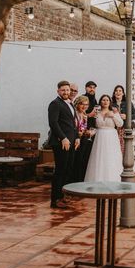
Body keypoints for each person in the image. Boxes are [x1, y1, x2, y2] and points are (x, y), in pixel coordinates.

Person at [48, 80, 80, 209]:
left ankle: (62, 196)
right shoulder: (55, 104)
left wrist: (77, 137)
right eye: (63, 90)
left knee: (67, 170)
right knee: (60, 171)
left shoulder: (70, 104)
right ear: (58, 91)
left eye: (68, 90)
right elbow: (53, 123)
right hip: (61, 143)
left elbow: (73, 123)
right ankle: (55, 200)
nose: (66, 92)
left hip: (72, 142)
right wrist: (63, 138)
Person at [85, 95, 124, 182]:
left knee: (110, 157)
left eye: (107, 100)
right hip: (99, 137)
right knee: (98, 157)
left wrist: (113, 116)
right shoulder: (96, 112)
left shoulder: (114, 111)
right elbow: (93, 125)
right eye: (103, 100)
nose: (105, 102)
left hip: (111, 137)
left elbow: (120, 124)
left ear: (110, 102)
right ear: (100, 101)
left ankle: (112, 179)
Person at [71, 96, 95, 182]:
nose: (84, 106)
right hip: (74, 140)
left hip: (83, 140)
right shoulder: (74, 114)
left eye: (86, 104)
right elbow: (73, 127)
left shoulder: (84, 114)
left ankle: (80, 179)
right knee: (75, 161)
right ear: (77, 104)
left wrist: (87, 132)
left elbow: (83, 127)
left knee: (82, 160)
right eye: (82, 104)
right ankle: (74, 180)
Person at [111, 84, 135, 154]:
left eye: (120, 91)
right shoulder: (111, 104)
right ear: (114, 93)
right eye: (116, 91)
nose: (118, 92)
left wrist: (127, 116)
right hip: (114, 130)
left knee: (124, 149)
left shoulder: (128, 103)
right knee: (115, 148)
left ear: (123, 93)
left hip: (125, 129)